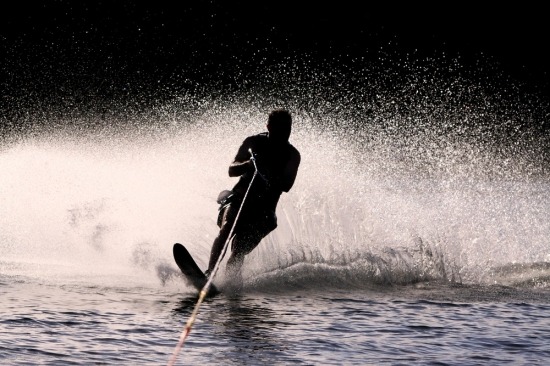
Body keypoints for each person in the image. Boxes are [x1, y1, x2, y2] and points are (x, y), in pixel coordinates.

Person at [206, 109, 301, 283]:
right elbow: (231, 169)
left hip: (264, 213)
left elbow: (287, 185)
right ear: (269, 127)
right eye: (280, 129)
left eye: (287, 129)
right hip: (239, 200)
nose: (284, 134)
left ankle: (230, 285)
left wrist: (268, 173)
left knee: (239, 249)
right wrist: (248, 164)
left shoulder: (292, 155)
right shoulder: (253, 142)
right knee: (227, 228)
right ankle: (209, 273)